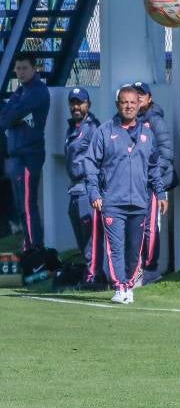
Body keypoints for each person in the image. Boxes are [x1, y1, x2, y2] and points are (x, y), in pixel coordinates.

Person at [85, 85, 167, 304]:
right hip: (112, 202)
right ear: (117, 104)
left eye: (133, 102)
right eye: (124, 102)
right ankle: (120, 287)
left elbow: (153, 166)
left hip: (140, 202)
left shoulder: (147, 134)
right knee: (115, 248)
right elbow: (91, 163)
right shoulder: (104, 131)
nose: (129, 106)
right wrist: (94, 192)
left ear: (139, 104)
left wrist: (161, 192)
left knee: (134, 250)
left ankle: (129, 284)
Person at [0, 56, 51, 252]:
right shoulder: (20, 90)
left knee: (29, 205)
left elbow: (9, 115)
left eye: (24, 68)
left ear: (33, 69)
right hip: (15, 155)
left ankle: (35, 248)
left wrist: (11, 114)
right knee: (21, 205)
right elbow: (5, 118)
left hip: (29, 155)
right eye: (18, 69)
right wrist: (10, 114)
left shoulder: (37, 91)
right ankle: (28, 244)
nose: (20, 72)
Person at [133, 81, 176, 285]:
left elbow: (166, 153)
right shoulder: (129, 121)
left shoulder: (155, 121)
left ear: (149, 98)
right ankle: (138, 268)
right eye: (136, 94)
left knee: (150, 227)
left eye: (142, 94)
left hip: (151, 184)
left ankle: (150, 269)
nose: (139, 98)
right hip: (133, 184)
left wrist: (152, 176)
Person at [64, 87, 104, 286]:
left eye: (80, 102)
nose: (76, 107)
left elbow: (101, 158)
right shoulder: (73, 128)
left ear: (88, 104)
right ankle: (91, 274)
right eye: (73, 102)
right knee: (82, 238)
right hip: (75, 188)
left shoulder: (93, 128)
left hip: (87, 188)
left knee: (91, 237)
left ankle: (94, 277)